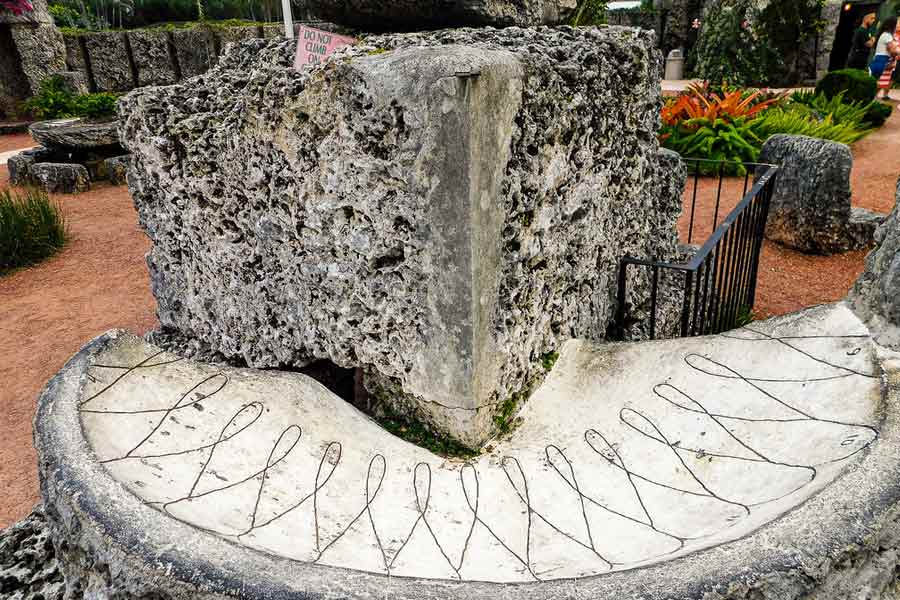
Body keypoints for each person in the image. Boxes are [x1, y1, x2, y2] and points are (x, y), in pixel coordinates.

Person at [870, 16, 900, 100]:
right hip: (881, 60)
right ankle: (870, 100)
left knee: (877, 82)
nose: (898, 25)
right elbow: (893, 51)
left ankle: (871, 100)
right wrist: (896, 54)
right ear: (892, 25)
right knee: (877, 83)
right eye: (897, 23)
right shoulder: (887, 35)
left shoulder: (885, 35)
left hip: (882, 60)